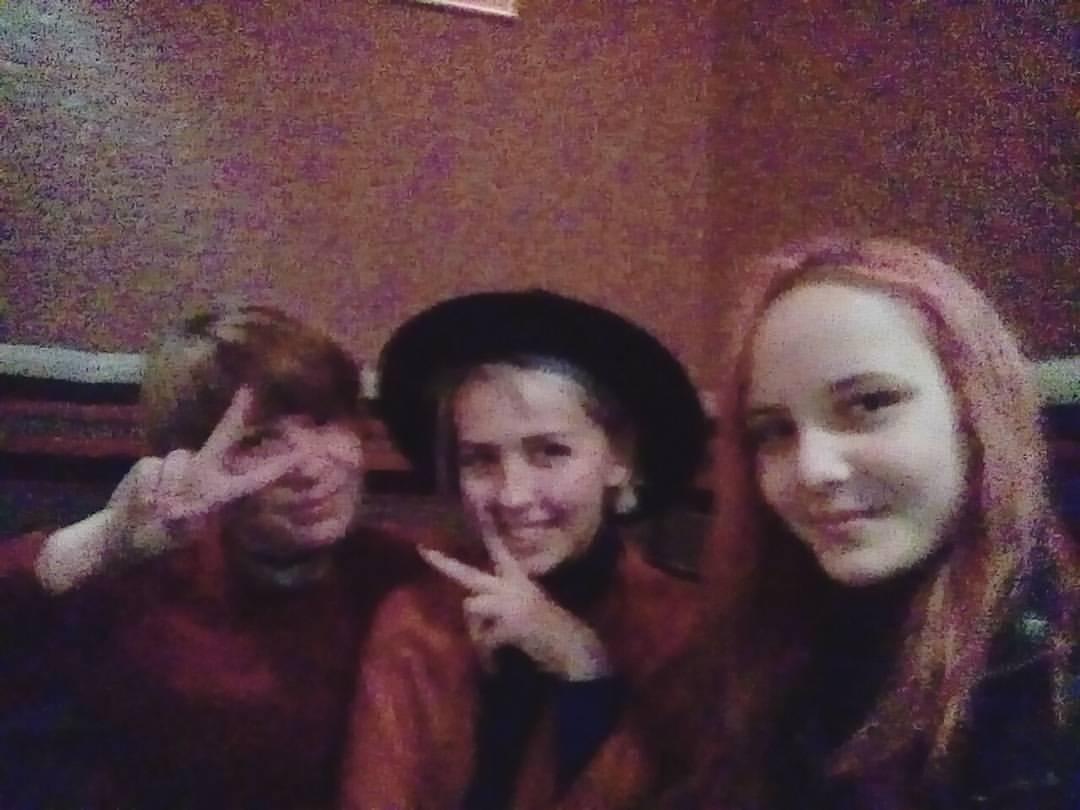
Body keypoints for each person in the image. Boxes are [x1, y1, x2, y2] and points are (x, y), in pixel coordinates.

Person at [665, 236, 1079, 809]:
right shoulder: (775, 641)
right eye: (774, 431)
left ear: (976, 409)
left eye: (869, 404)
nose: (812, 470)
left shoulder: (1049, 679)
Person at [0, 304, 425, 808]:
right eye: (259, 440)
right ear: (186, 458)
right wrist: (105, 541)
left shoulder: (391, 574)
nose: (310, 467)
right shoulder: (141, 580)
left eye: (322, 421)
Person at [339, 290, 709, 809]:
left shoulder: (686, 632)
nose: (513, 495)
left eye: (550, 451)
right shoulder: (418, 624)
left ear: (620, 458)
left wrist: (586, 673)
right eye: (480, 459)